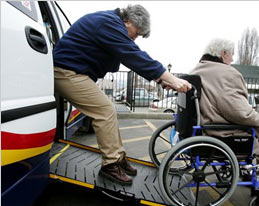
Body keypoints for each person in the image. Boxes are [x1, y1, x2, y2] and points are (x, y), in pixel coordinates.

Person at [53, 5, 191, 185]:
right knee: (105, 111)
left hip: (75, 72)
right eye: (137, 33)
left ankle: (117, 157)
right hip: (65, 72)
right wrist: (171, 78)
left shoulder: (111, 25)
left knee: (108, 112)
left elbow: (128, 56)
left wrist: (160, 80)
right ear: (129, 21)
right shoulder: (107, 23)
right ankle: (110, 165)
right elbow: (133, 55)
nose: (135, 38)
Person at [189, 38, 259, 196]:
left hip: (203, 131)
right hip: (223, 136)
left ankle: (251, 172)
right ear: (224, 53)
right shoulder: (228, 73)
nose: (233, 59)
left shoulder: (196, 70)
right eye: (232, 54)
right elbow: (240, 112)